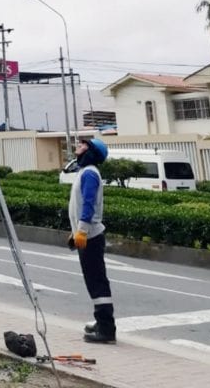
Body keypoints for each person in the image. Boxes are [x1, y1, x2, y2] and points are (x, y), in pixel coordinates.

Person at [68, 136, 116, 344]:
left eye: (83, 145)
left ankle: (106, 329)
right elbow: (80, 206)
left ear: (91, 152)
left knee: (96, 282)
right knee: (94, 280)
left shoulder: (89, 174)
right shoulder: (85, 172)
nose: (78, 146)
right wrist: (75, 231)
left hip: (91, 236)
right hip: (87, 234)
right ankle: (102, 322)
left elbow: (88, 205)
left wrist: (82, 231)